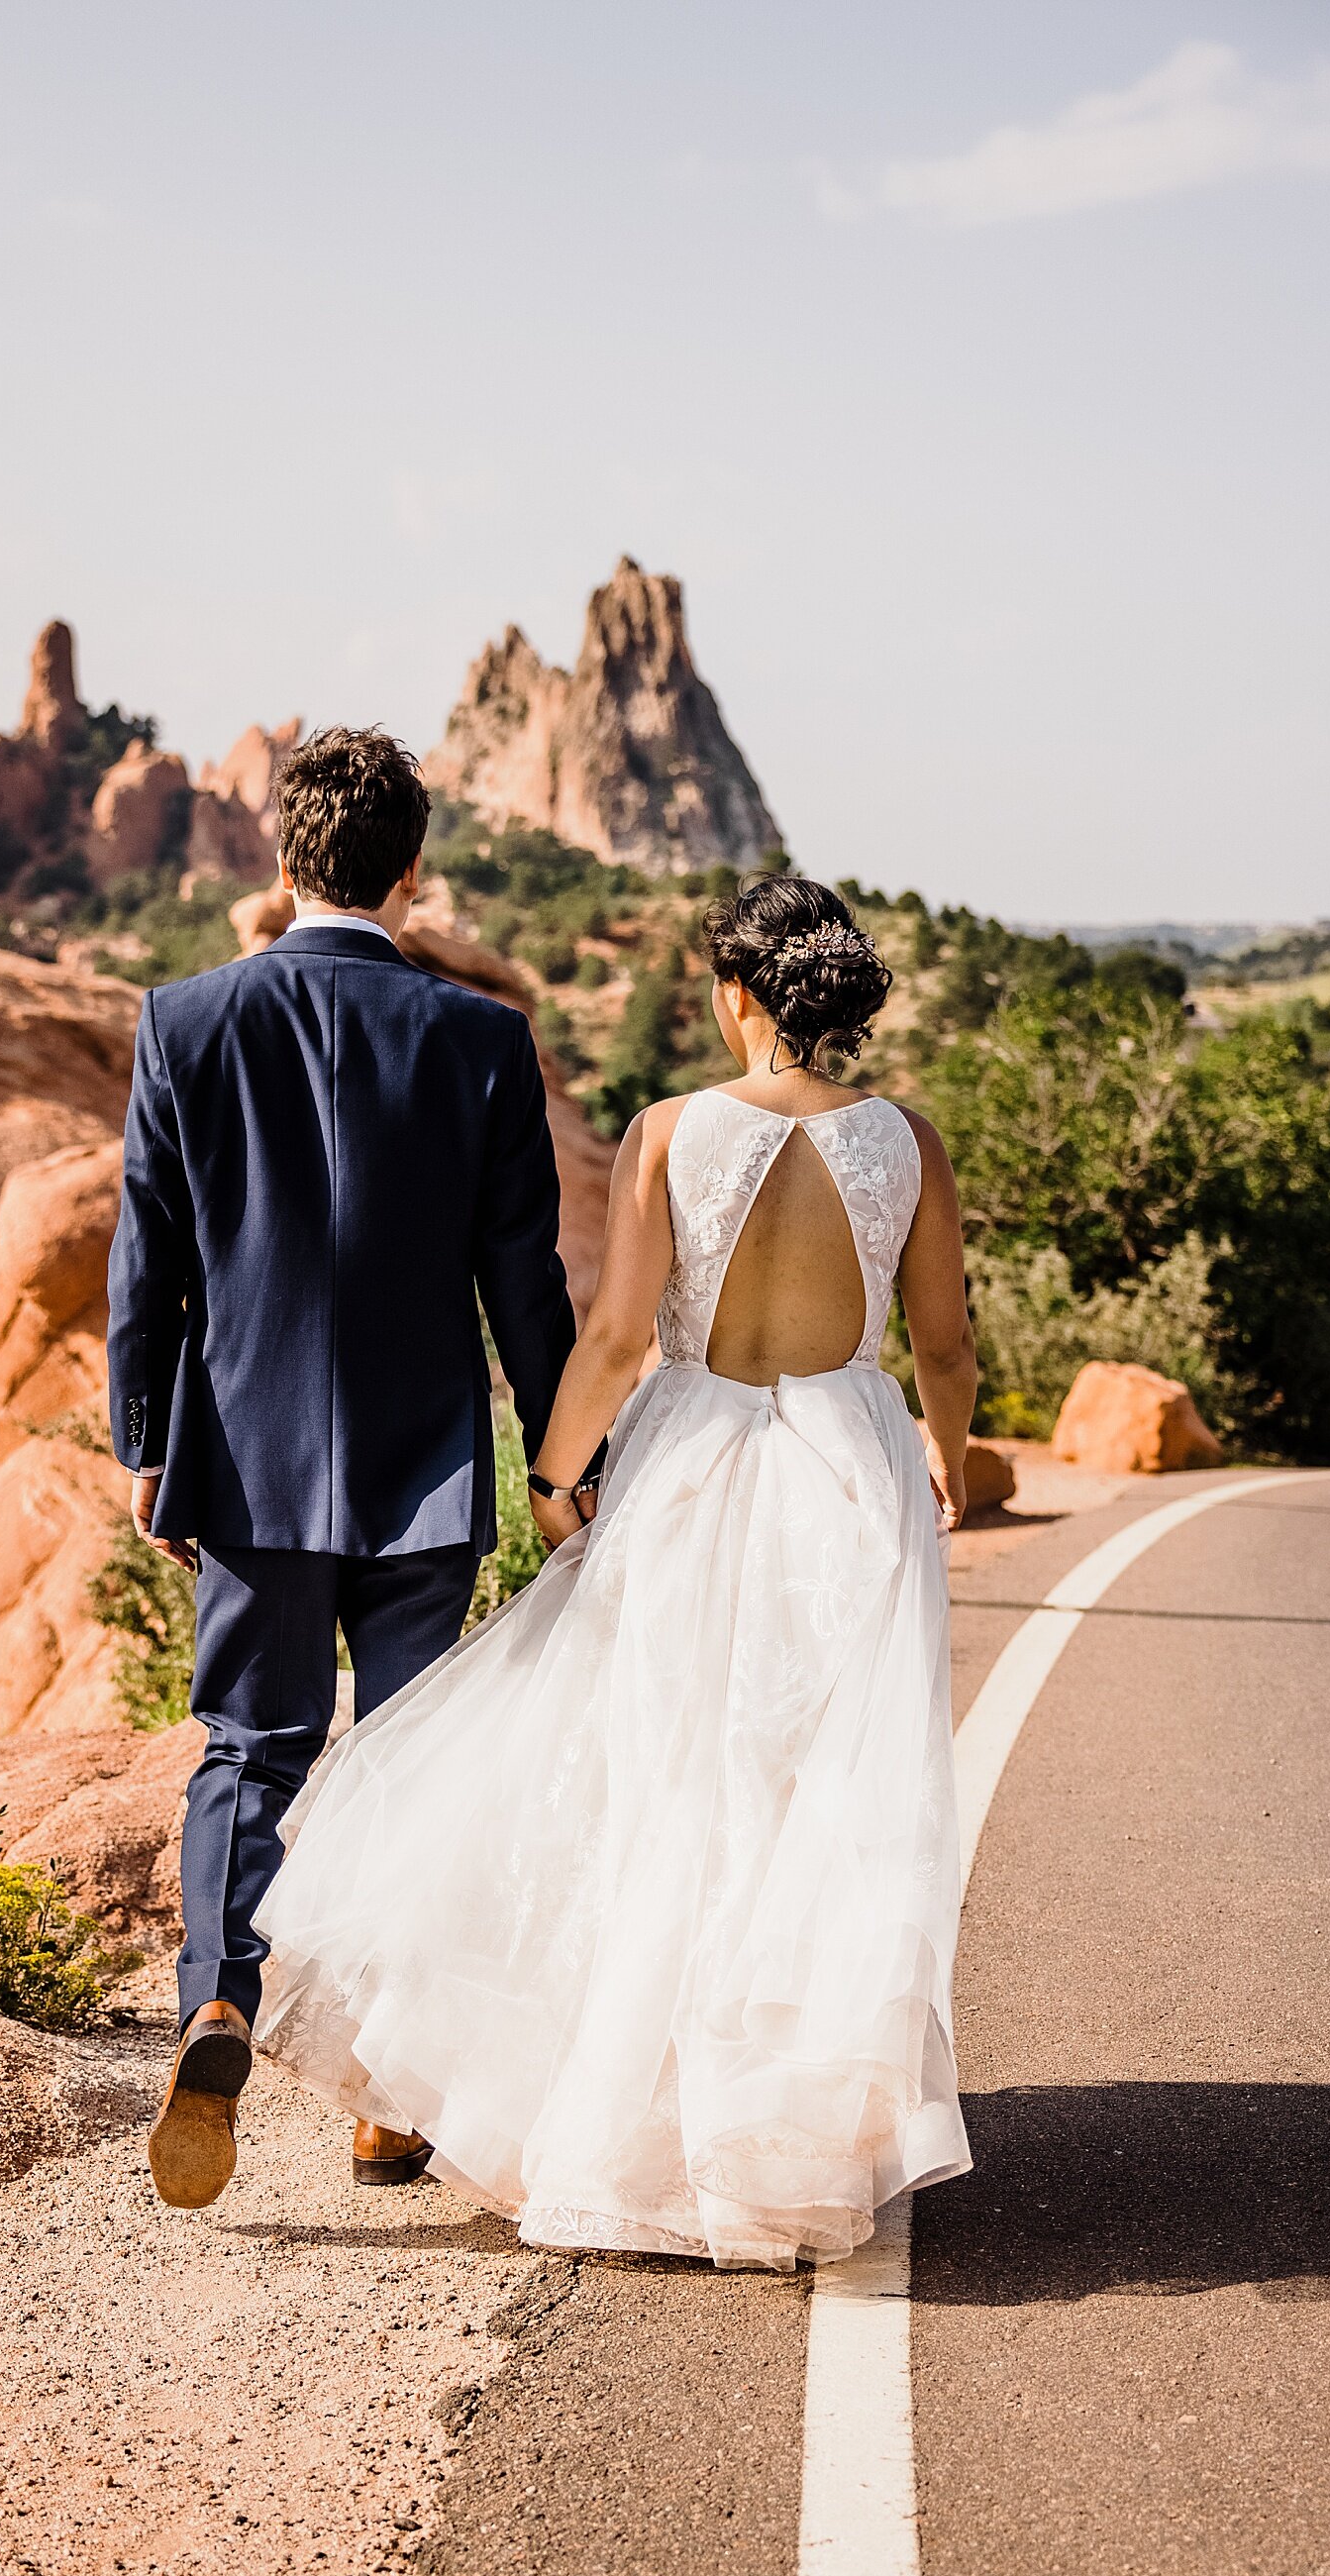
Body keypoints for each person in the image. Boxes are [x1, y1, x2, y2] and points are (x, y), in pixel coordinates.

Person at [253, 875, 977, 2269]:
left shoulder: (669, 1133)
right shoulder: (910, 1146)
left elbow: (610, 1339)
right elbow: (941, 1341)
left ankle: (637, 2123)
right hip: (846, 1472)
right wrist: (951, 1453)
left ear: (739, 996)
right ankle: (784, 2131)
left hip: (694, 1465)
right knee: (817, 1796)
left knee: (665, 1778)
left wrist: (554, 1475)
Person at [106, 727, 578, 2210]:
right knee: (415, 1770)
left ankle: (220, 2000)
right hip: (425, 1465)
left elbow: (150, 1263)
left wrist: (143, 1439)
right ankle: (389, 2098)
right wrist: (564, 1460)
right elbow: (527, 1284)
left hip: (243, 1459)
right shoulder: (482, 1040)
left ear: (279, 856)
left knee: (252, 1747)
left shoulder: (185, 1021)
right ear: (412, 865)